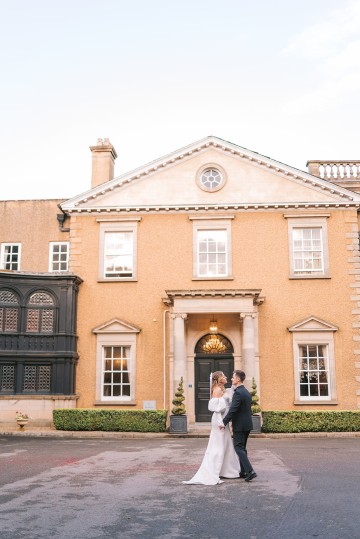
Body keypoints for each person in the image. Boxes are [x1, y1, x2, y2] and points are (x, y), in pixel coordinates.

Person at [182, 371, 240, 485]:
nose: (226, 377)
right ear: (218, 379)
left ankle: (228, 471)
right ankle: (213, 471)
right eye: (223, 376)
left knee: (226, 444)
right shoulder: (217, 390)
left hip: (224, 420)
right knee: (218, 445)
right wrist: (221, 422)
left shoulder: (223, 389)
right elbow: (216, 409)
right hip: (219, 420)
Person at [220, 370, 257, 482]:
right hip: (247, 424)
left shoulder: (238, 393)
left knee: (238, 447)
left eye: (233, 377)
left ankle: (250, 471)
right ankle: (243, 471)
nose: (231, 379)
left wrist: (224, 422)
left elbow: (233, 410)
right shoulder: (246, 391)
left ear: (238, 379)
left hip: (240, 425)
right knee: (242, 448)